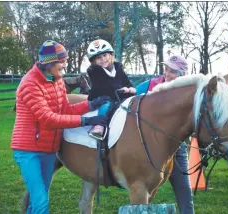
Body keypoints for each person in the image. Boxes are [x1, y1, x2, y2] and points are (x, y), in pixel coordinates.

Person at [11, 40, 110, 214]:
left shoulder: (56, 80)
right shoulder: (30, 84)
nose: (65, 65)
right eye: (62, 61)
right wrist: (85, 121)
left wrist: (91, 104)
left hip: (49, 149)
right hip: (28, 151)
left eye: (65, 61)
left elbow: (65, 109)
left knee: (36, 202)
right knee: (41, 201)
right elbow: (48, 119)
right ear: (48, 63)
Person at [135, 55, 194, 214]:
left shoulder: (186, 94)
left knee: (183, 189)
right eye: (166, 69)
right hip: (151, 146)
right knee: (145, 187)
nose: (167, 74)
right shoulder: (152, 85)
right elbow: (133, 94)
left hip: (176, 147)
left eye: (172, 72)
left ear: (182, 75)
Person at [86, 39, 136, 139]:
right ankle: (99, 126)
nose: (103, 59)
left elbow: (127, 82)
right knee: (107, 104)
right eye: (98, 58)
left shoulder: (118, 68)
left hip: (118, 96)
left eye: (105, 55)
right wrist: (121, 90)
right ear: (94, 61)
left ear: (111, 55)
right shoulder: (95, 72)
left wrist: (131, 89)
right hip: (101, 98)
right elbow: (103, 88)